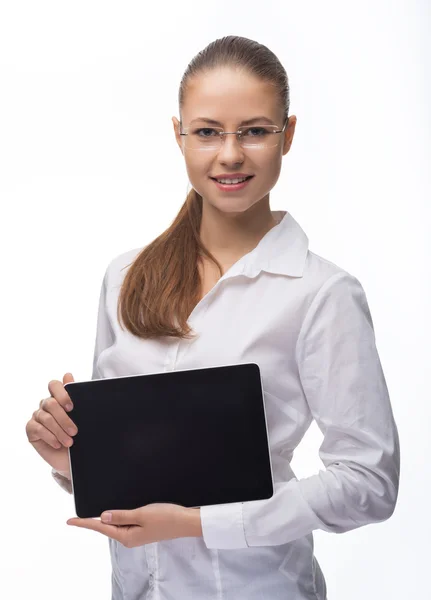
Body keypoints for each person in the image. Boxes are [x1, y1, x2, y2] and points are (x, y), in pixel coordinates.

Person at [25, 35, 400, 600]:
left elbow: (369, 483)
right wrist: (73, 461)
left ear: (287, 135)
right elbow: (136, 465)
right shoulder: (125, 277)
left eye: (254, 130)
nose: (229, 154)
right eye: (206, 131)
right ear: (178, 134)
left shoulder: (322, 293)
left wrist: (197, 523)